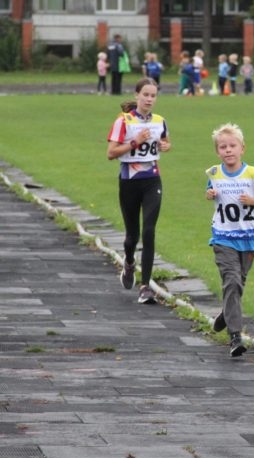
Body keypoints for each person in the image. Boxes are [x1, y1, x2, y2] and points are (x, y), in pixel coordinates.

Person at [204, 123, 254, 357]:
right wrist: (210, 195)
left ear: (242, 148)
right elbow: (210, 192)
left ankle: (226, 314)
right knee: (232, 281)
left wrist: (253, 201)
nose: (228, 150)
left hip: (248, 239)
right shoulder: (214, 173)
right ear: (217, 152)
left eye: (232, 146)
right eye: (223, 147)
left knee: (238, 284)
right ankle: (235, 336)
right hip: (223, 236)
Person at [106, 78, 172, 304]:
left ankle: (145, 286)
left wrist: (165, 146)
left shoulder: (160, 121)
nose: (149, 99)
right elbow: (111, 153)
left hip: (152, 180)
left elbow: (165, 141)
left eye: (153, 95)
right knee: (131, 237)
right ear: (137, 95)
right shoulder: (123, 121)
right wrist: (134, 142)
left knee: (150, 231)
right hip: (129, 182)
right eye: (146, 94)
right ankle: (129, 262)